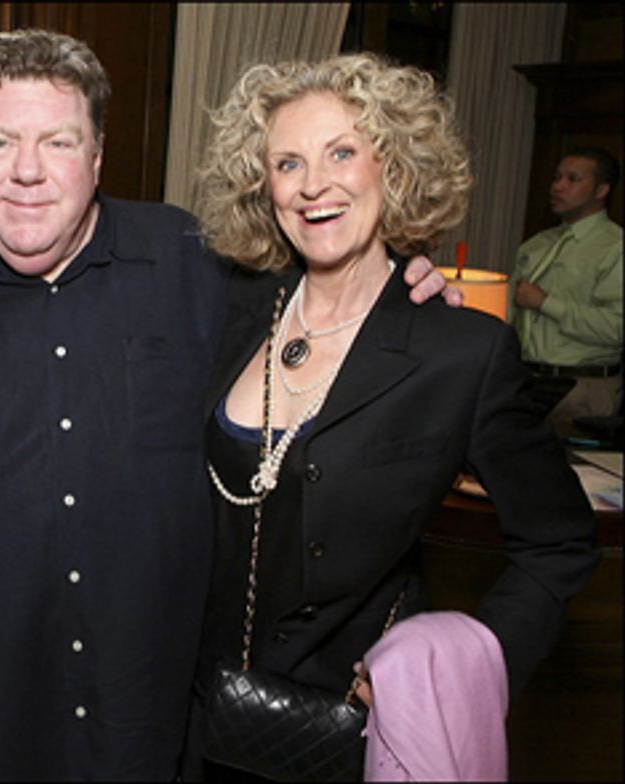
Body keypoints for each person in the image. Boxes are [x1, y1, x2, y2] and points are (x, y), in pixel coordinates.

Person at [0, 30, 453, 781]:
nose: (26, 171)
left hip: (149, 697)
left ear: (97, 154)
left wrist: (399, 284)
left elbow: (326, 305)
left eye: (57, 141)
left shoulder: (197, 262)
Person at [188, 53, 599, 780]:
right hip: (193, 717)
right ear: (265, 186)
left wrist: (454, 672)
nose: (313, 184)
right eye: (288, 162)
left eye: (342, 152)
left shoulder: (462, 352)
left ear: (394, 166)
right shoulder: (230, 307)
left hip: (352, 731)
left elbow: (560, 544)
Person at [507, 147, 622, 432]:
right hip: (527, 381)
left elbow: (615, 328)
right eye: (557, 177)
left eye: (572, 179)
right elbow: (511, 312)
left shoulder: (615, 247)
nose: (558, 186)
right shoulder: (537, 244)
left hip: (582, 388)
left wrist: (545, 303)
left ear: (601, 190)